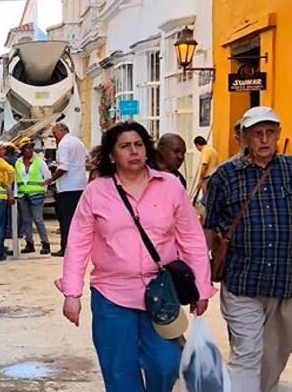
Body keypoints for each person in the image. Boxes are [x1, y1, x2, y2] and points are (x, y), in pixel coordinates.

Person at [56, 121, 213, 392]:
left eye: (139, 145)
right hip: (111, 294)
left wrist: (201, 287)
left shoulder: (170, 186)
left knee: (166, 363)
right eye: (125, 146)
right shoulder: (97, 191)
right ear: (111, 155)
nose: (134, 151)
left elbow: (192, 239)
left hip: (161, 293)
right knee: (119, 370)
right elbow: (78, 243)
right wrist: (72, 293)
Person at [204, 106, 292, 392]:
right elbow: (210, 226)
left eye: (270, 133)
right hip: (243, 281)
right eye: (257, 134)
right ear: (243, 138)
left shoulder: (290, 170)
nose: (264, 139)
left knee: (274, 358)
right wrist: (202, 270)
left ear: (278, 134)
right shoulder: (224, 176)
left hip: (285, 283)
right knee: (246, 354)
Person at [45, 122, 87, 257]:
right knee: (78, 221)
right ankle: (78, 248)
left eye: (54, 132)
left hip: (67, 187)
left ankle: (66, 248)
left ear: (62, 130)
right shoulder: (78, 142)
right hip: (79, 185)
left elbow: (64, 167)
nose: (54, 136)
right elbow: (87, 159)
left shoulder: (64, 144)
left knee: (66, 220)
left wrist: (52, 179)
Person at [14, 137, 51, 254]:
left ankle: (45, 244)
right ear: (22, 150)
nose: (30, 150)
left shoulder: (39, 162)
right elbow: (16, 180)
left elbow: (47, 177)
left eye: (31, 148)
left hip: (36, 195)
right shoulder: (18, 163)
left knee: (38, 219)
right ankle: (29, 243)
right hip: (22, 195)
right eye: (27, 148)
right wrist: (15, 195)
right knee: (26, 220)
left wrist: (43, 190)